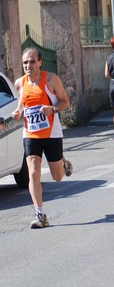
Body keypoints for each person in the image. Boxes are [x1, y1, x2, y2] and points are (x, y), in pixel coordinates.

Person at [11, 47, 73, 229]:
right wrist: (18, 112)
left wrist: (51, 109)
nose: (28, 65)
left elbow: (65, 101)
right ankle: (40, 214)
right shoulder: (20, 83)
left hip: (52, 133)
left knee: (57, 176)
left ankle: (62, 162)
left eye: (31, 61)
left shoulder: (51, 79)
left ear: (39, 62)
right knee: (33, 172)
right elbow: (23, 102)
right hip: (30, 133)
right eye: (25, 62)